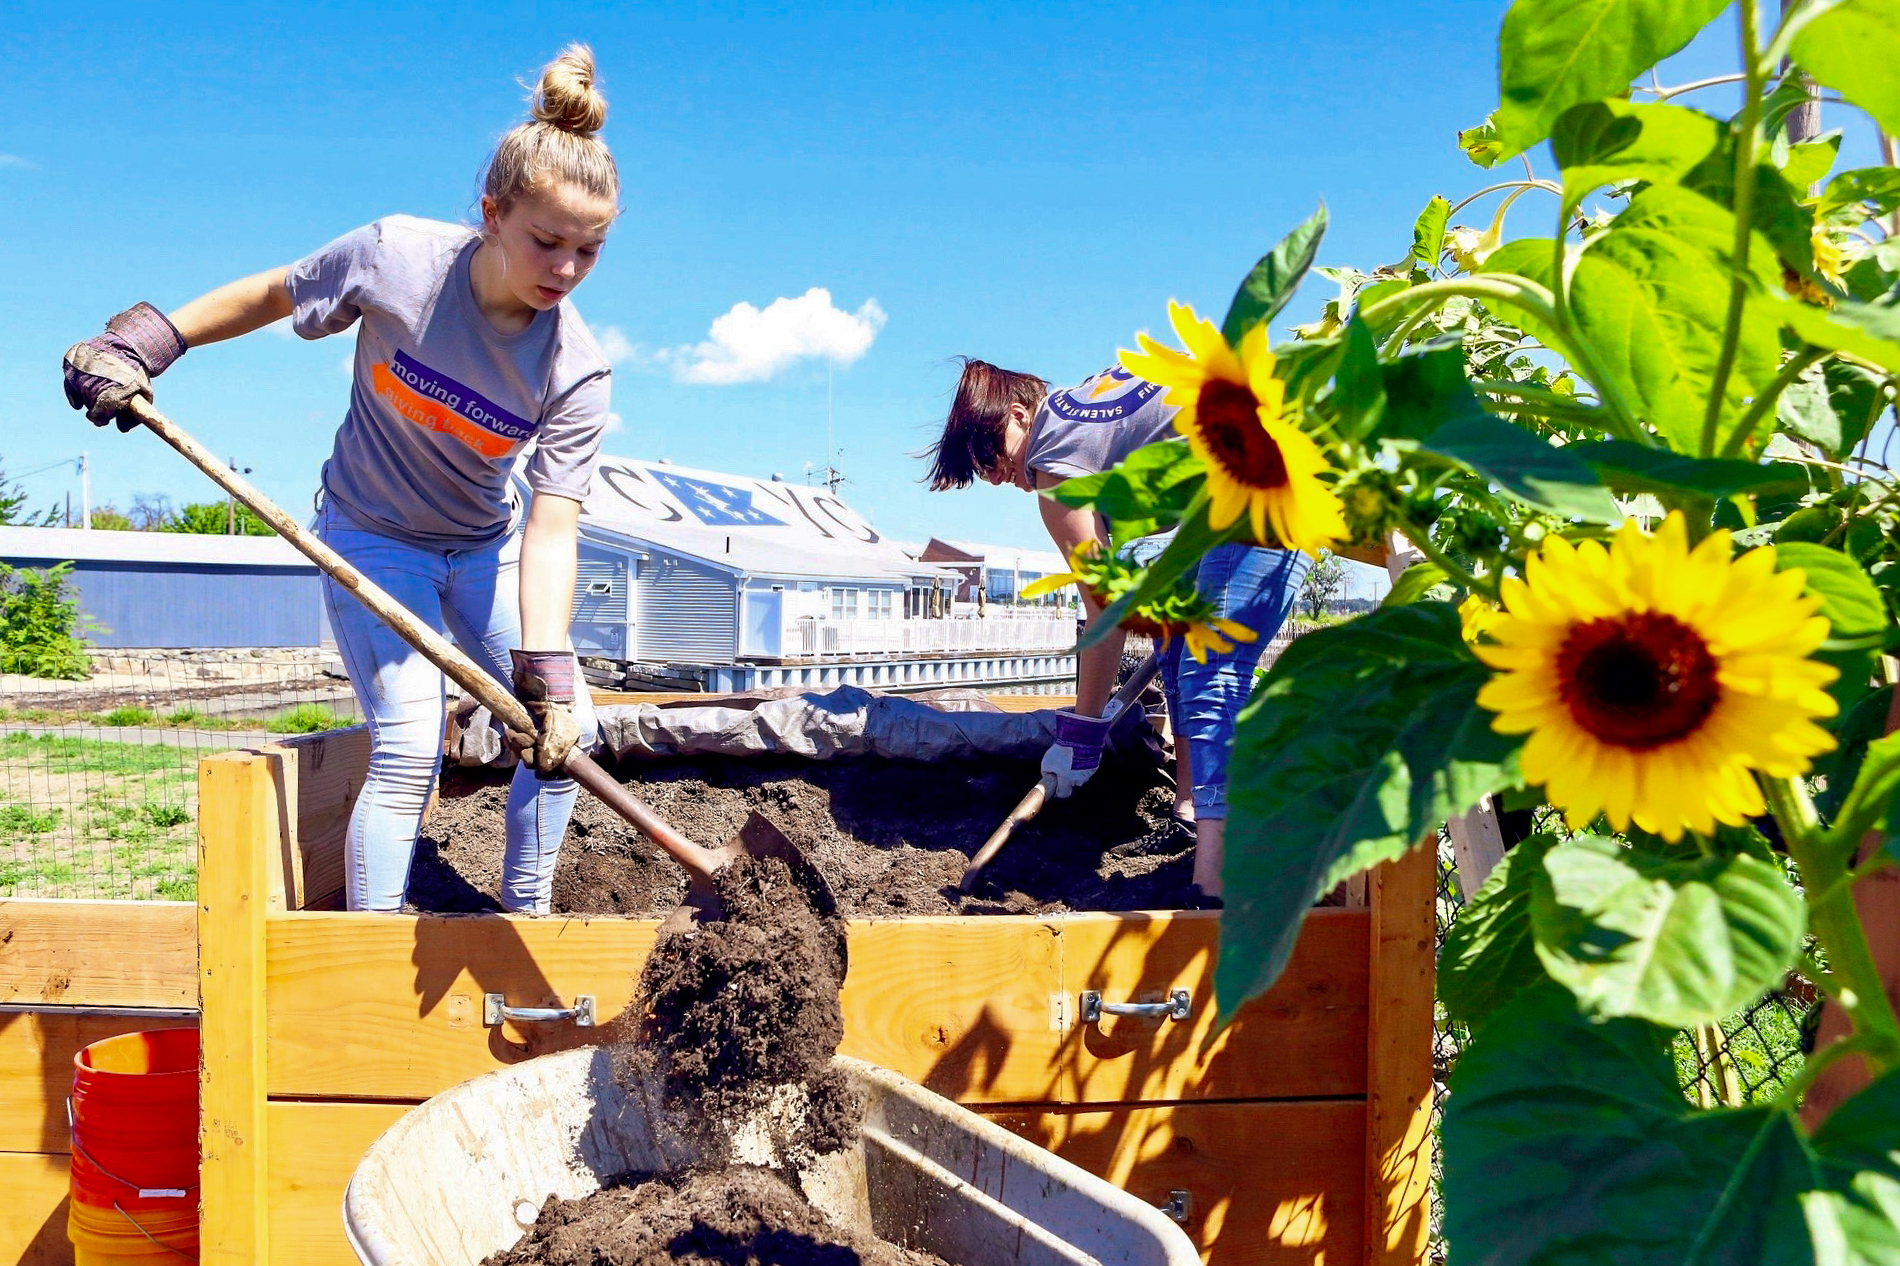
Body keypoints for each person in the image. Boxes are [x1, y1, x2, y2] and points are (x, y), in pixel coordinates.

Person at [62, 47, 619, 914]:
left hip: (482, 552)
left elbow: (552, 527)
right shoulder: (398, 259)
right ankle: (366, 943)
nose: (565, 269)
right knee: (405, 739)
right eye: (546, 241)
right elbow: (274, 295)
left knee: (570, 731)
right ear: (492, 214)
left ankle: (527, 913)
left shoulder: (574, 367)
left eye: (589, 251)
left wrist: (545, 670)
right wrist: (149, 340)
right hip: (372, 536)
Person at [926, 359, 1310, 905]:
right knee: (1177, 646)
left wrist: (1080, 736)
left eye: (987, 454)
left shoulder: (1055, 459)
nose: (992, 474)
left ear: (1017, 415)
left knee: (1212, 671)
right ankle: (1189, 814)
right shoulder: (1079, 411)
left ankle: (1216, 885)